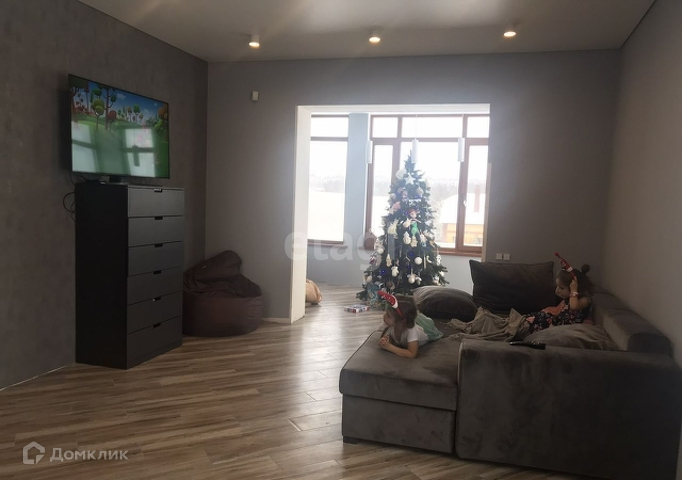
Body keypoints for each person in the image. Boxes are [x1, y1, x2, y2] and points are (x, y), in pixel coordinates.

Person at [525, 264, 594, 334]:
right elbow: (559, 311)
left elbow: (574, 307)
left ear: (576, 288)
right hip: (559, 322)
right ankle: (525, 323)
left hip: (565, 327)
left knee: (541, 320)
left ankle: (525, 326)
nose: (557, 290)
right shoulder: (567, 299)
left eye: (561, 288)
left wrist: (573, 290)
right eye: (557, 286)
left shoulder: (585, 299)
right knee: (539, 316)